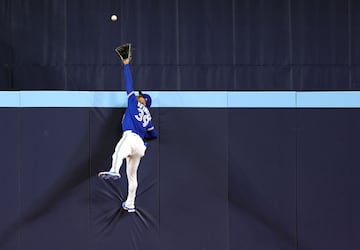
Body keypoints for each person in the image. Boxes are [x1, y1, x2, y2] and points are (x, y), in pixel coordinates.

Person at [98, 57, 158, 213]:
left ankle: (114, 170)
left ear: (144, 100)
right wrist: (145, 143)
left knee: (118, 151)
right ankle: (130, 204)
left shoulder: (134, 102)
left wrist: (126, 65)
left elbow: (129, 83)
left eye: (141, 96)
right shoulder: (149, 117)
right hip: (139, 146)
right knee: (132, 176)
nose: (138, 95)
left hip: (130, 137)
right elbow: (154, 134)